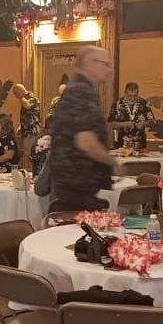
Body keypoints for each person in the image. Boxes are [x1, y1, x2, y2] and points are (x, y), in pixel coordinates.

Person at [49, 47, 114, 211]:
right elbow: (86, 142)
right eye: (106, 64)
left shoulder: (79, 88)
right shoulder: (81, 91)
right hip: (75, 185)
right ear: (91, 64)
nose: (109, 69)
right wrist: (113, 162)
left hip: (73, 183)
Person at [108, 82, 155, 151]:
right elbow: (110, 123)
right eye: (130, 96)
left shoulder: (144, 103)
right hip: (121, 145)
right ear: (125, 93)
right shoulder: (117, 104)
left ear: (138, 93)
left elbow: (152, 122)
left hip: (140, 145)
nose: (132, 98)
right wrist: (125, 124)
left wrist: (143, 124)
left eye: (135, 96)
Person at [11, 83, 41, 163]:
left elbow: (27, 106)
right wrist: (20, 127)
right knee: (27, 153)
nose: (15, 96)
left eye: (15, 94)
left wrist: (21, 97)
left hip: (32, 131)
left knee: (31, 154)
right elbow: (26, 116)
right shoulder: (25, 98)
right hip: (26, 131)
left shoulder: (32, 97)